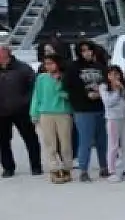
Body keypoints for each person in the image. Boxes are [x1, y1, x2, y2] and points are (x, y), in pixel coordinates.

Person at [64, 40, 110, 181]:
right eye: (83, 50)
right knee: (85, 141)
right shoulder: (73, 67)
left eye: (89, 49)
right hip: (83, 110)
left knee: (103, 140)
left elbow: (107, 84)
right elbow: (69, 87)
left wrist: (101, 93)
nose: (87, 53)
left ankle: (105, 167)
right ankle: (83, 170)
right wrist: (85, 95)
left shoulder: (100, 67)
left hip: (101, 108)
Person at [30, 54, 73, 184]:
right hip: (45, 113)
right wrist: (34, 113)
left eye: (51, 63)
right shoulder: (41, 78)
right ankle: (54, 169)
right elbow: (36, 96)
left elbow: (68, 94)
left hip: (63, 113)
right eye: (46, 64)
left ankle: (66, 168)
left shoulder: (65, 77)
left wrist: (59, 83)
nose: (49, 66)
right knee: (50, 144)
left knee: (65, 143)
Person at [0, 44, 42, 177]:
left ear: (7, 53)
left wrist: (26, 102)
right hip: (1, 111)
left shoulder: (23, 68)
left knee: (30, 138)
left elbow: (34, 87)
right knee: (3, 141)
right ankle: (8, 167)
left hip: (21, 110)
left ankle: (36, 166)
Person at [98, 65, 125, 182]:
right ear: (107, 76)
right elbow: (108, 102)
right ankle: (112, 171)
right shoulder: (103, 87)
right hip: (113, 118)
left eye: (117, 74)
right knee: (113, 145)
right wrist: (117, 90)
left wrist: (123, 89)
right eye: (111, 74)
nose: (114, 76)